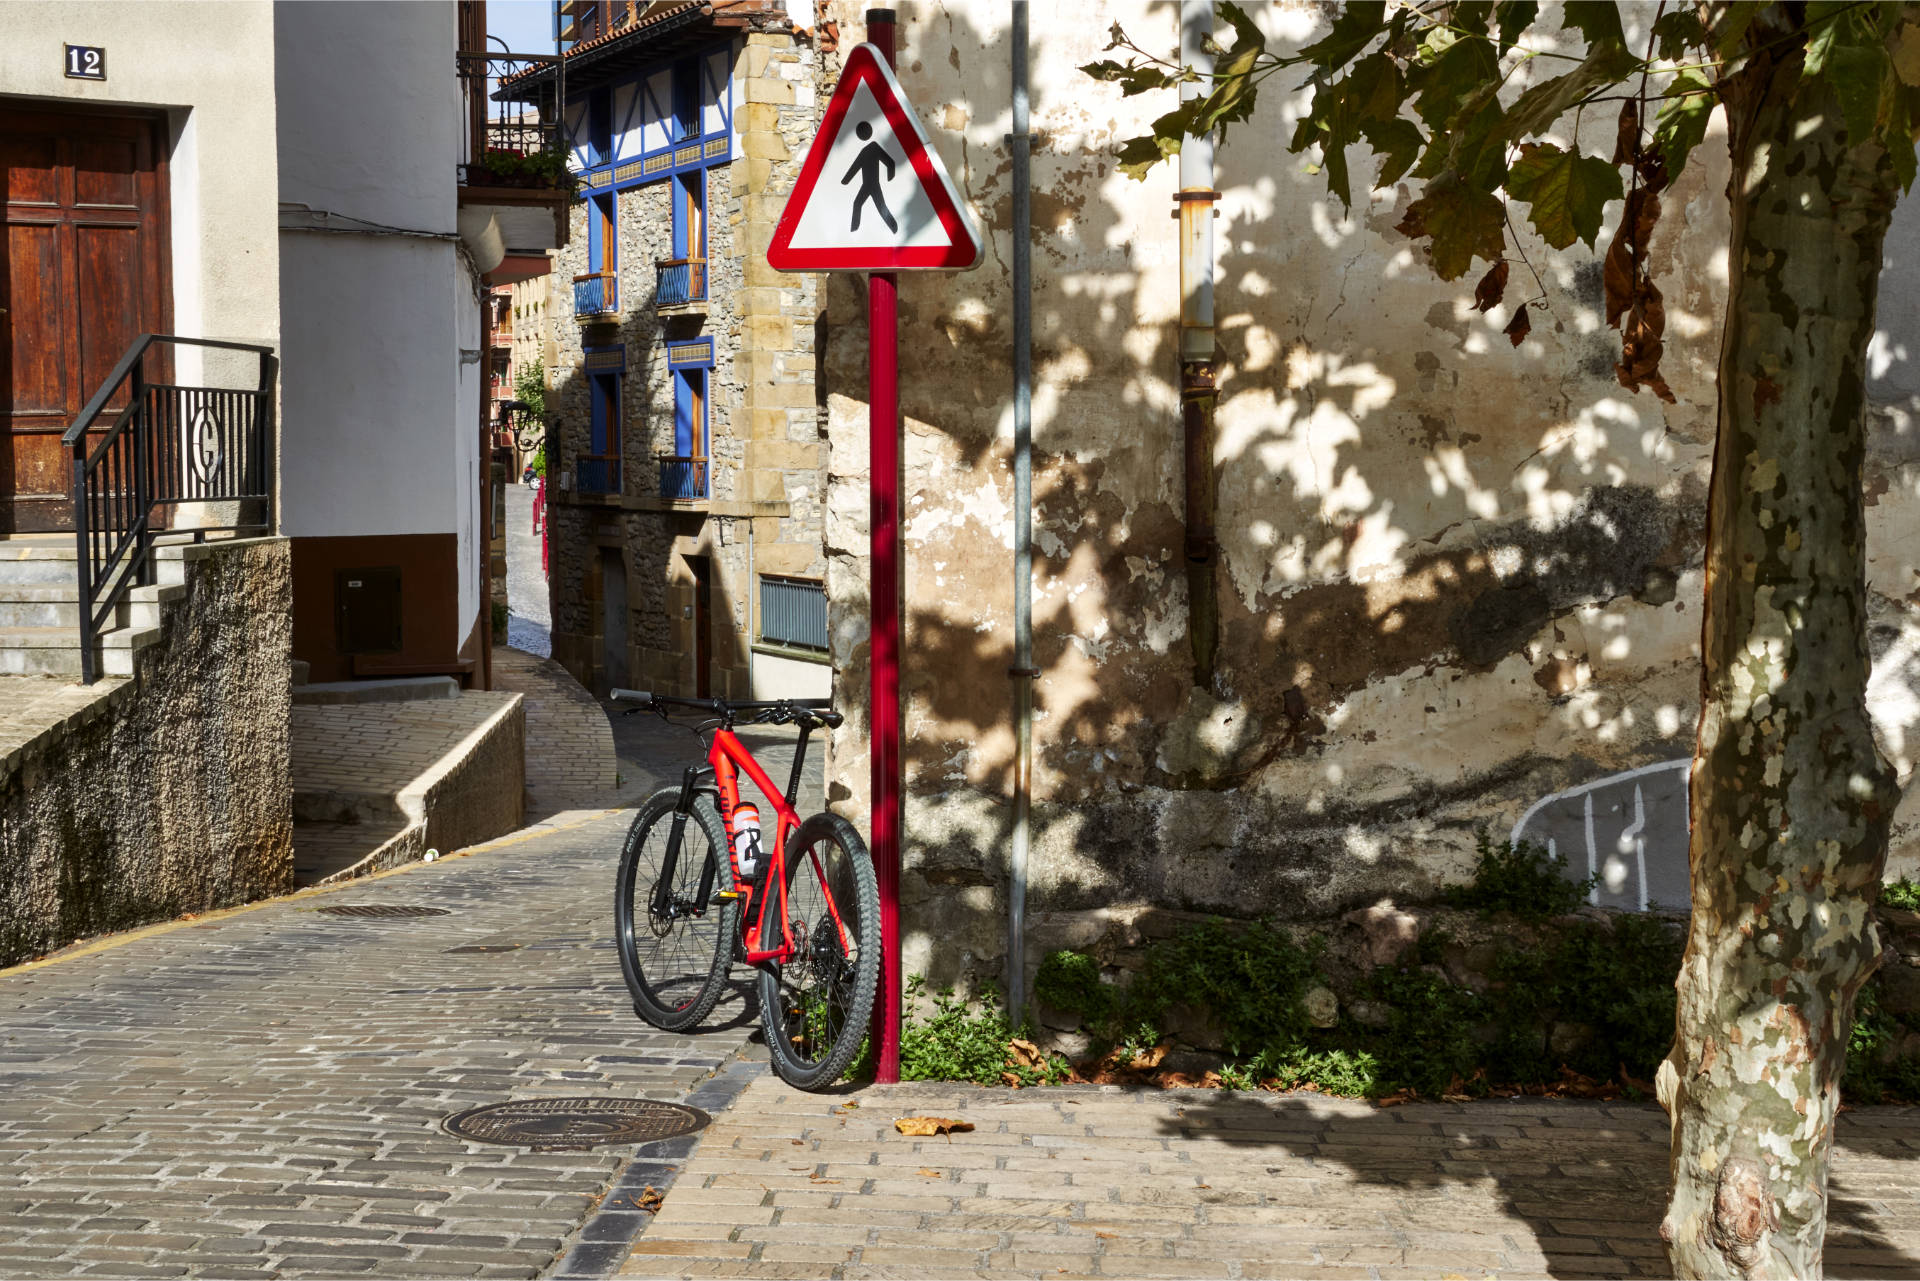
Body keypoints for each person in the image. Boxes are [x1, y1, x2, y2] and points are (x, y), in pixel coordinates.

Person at [840, 121, 897, 234]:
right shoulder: (866, 150)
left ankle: (894, 227)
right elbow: (855, 167)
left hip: (873, 185)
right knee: (858, 204)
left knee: (880, 207)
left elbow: (890, 162)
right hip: (866, 185)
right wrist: (845, 181)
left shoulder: (873, 148)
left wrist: (890, 176)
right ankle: (854, 229)